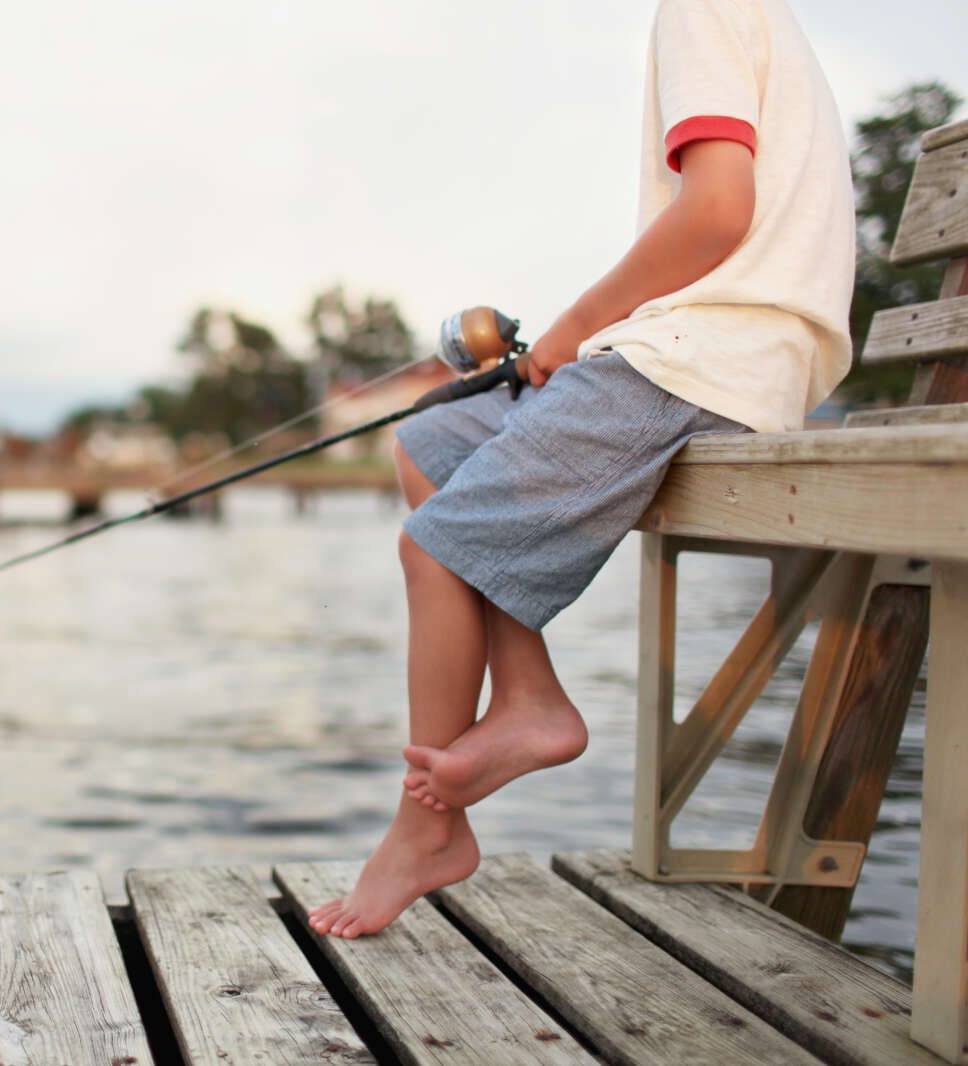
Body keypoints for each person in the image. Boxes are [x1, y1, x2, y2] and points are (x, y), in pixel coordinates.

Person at [307, 0, 856, 939]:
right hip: (708, 344)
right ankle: (528, 697)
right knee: (431, 444)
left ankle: (423, 830)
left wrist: (571, 332)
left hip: (715, 351)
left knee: (431, 550)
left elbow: (718, 210)